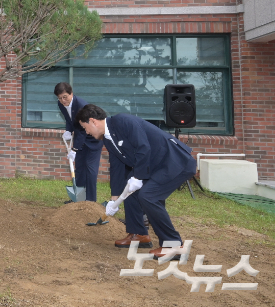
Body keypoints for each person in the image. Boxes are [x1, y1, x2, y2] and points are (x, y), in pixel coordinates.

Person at [75, 104, 197, 258]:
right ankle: (139, 234)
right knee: (130, 191)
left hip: (175, 162)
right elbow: (116, 167)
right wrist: (115, 197)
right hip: (156, 166)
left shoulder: (122, 121)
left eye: (85, 127)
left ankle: (173, 245)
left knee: (148, 196)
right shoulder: (108, 138)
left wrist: (138, 177)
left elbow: (143, 147)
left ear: (93, 121)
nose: (86, 132)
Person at [54, 82, 105, 202]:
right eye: (60, 98)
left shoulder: (81, 106)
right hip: (80, 137)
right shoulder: (61, 104)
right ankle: (78, 199)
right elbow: (69, 119)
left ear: (71, 93)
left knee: (90, 169)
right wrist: (68, 130)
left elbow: (83, 130)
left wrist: (75, 149)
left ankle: (91, 201)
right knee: (80, 169)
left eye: (65, 97)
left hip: (93, 139)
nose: (63, 100)